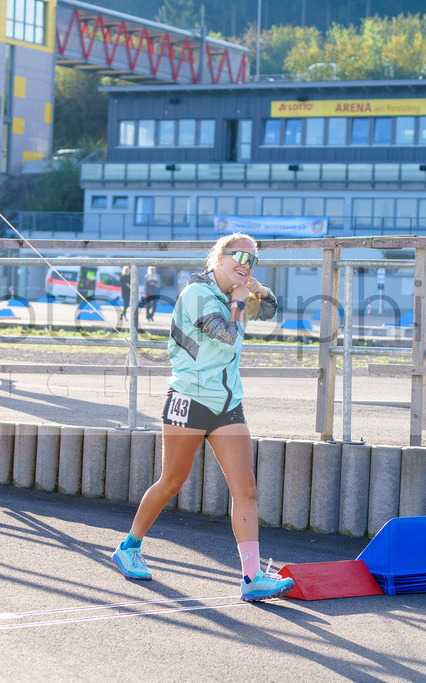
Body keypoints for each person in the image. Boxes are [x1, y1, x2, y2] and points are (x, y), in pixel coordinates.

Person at [111, 232, 295, 603]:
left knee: (246, 489)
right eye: (239, 256)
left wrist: (259, 291)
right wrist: (241, 301)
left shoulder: (235, 295)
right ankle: (129, 547)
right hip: (189, 399)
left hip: (227, 404)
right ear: (218, 258)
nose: (245, 264)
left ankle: (251, 576)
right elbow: (226, 335)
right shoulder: (197, 295)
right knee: (172, 481)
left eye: (253, 259)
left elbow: (272, 311)